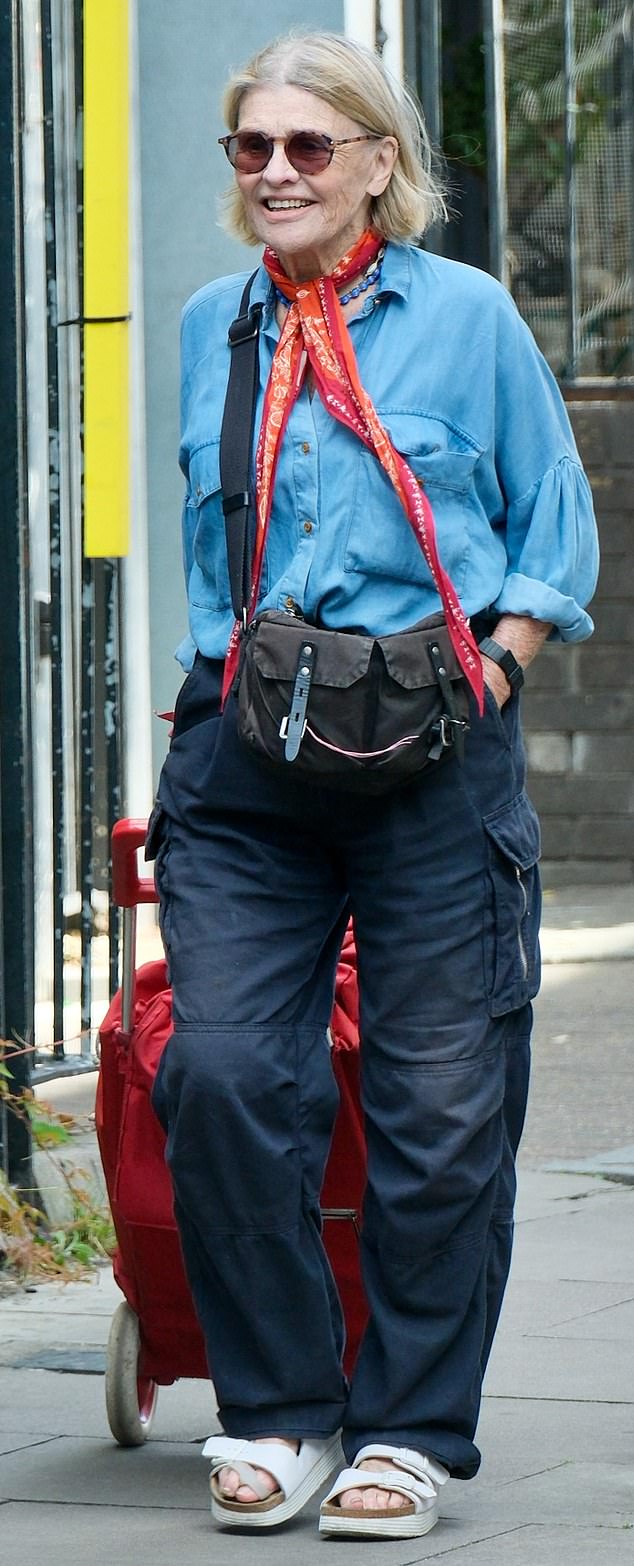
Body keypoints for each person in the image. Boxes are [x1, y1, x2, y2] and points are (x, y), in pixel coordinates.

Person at [149, 30, 598, 1541]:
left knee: (439, 1101)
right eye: (249, 149)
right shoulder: (219, 321)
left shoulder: (467, 321)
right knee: (217, 1073)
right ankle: (278, 1406)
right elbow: (219, 550)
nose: (275, 172)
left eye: (305, 146)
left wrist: (499, 660)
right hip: (247, 752)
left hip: (431, 753)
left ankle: (409, 1426)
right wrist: (212, 699)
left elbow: (555, 521)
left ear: (375, 160)